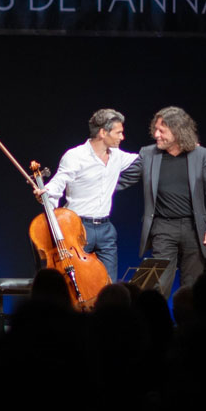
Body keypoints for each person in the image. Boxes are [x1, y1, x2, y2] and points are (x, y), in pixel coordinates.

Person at [117, 106, 206, 299]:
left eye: (162, 131)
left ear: (177, 131)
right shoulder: (148, 154)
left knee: (192, 290)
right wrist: (84, 185)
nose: (156, 135)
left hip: (195, 230)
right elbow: (121, 181)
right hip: (163, 228)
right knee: (156, 288)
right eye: (155, 129)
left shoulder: (201, 155)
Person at [40, 108, 138, 282]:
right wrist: (46, 193)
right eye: (118, 133)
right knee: (79, 282)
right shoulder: (75, 156)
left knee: (109, 284)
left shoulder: (117, 156)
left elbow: (144, 159)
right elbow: (59, 182)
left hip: (105, 228)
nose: (122, 137)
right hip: (78, 228)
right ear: (103, 133)